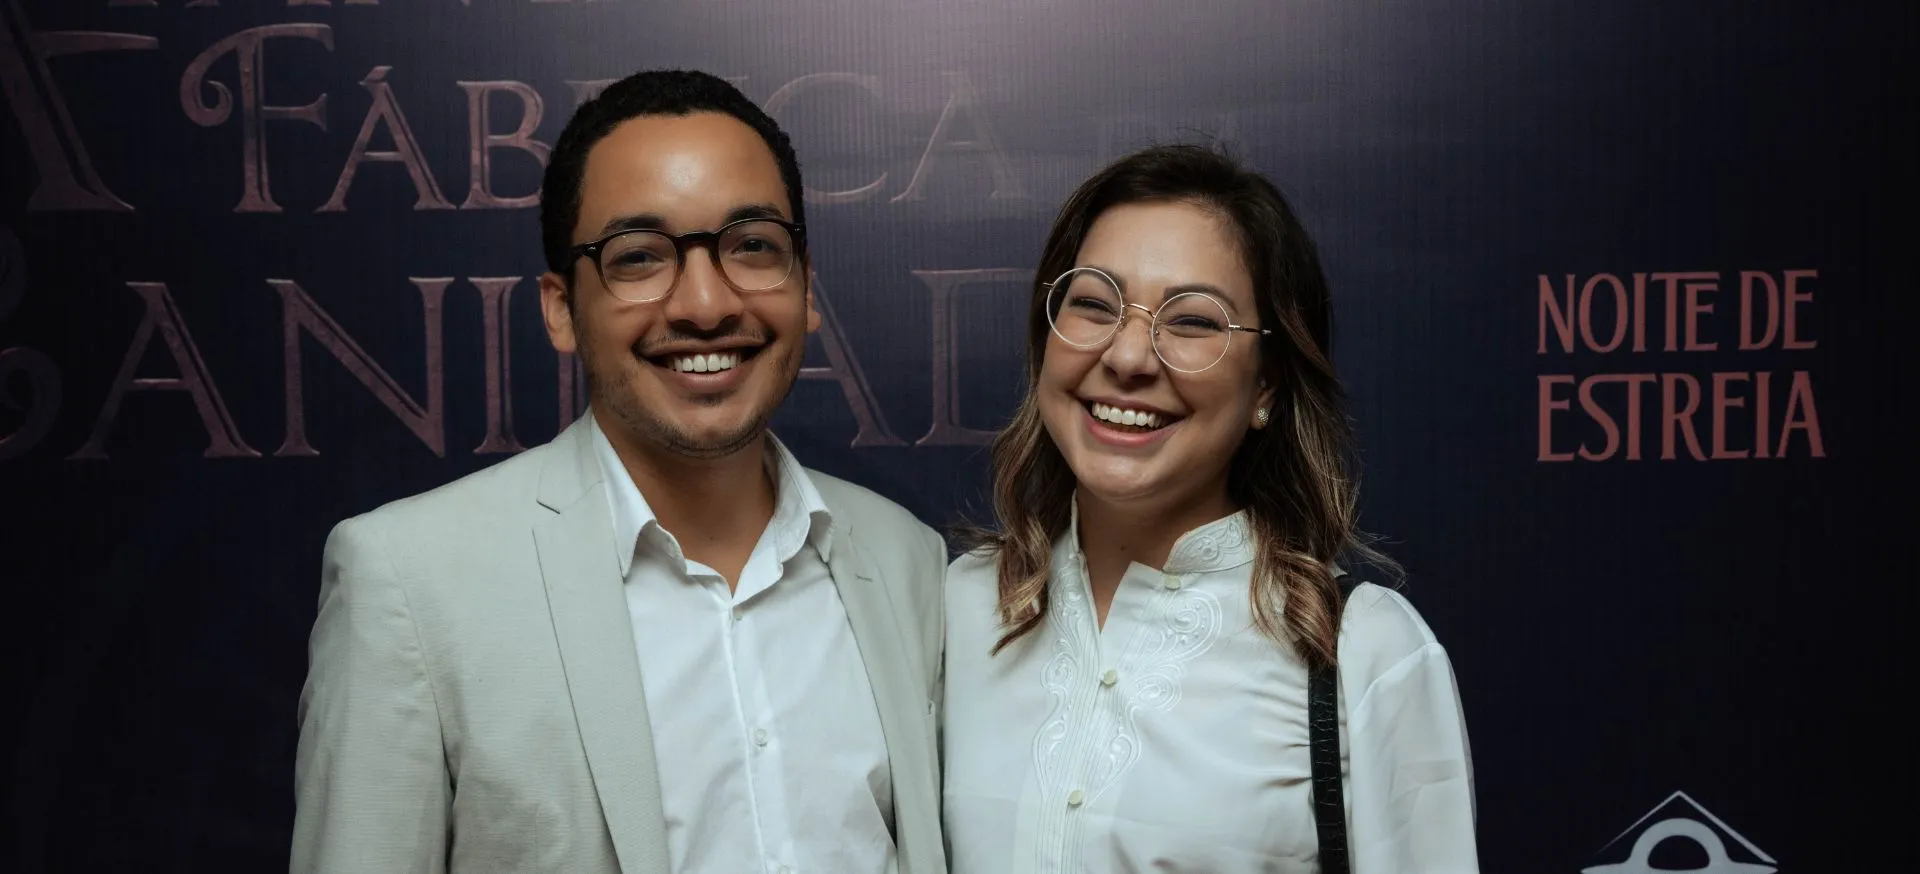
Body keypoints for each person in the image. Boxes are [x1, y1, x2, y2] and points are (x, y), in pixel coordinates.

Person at [291, 70, 948, 874]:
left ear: (806, 285)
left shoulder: (906, 559)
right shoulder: (409, 581)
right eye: (639, 257)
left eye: (752, 246)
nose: (705, 304)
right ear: (561, 309)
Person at [941, 144, 1478, 872]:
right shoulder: (954, 608)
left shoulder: (1363, 651)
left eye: (1193, 322)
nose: (1129, 357)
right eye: (1093, 304)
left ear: (1266, 386)